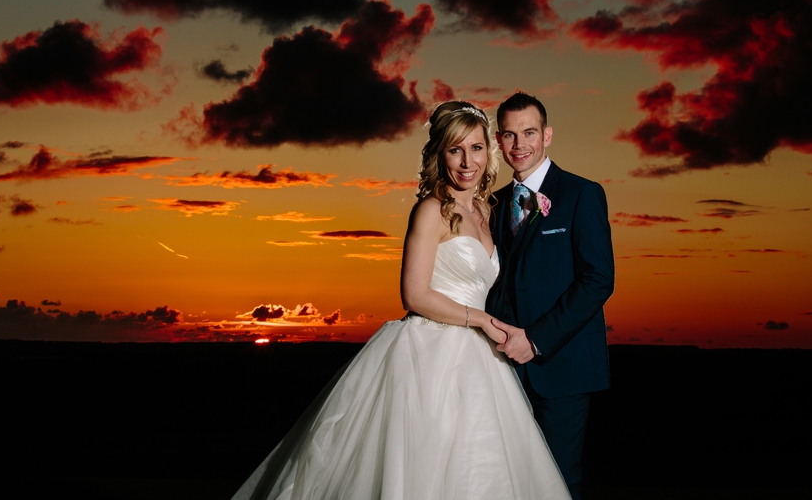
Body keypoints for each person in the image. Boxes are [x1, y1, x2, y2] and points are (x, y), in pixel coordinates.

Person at [232, 101, 571, 500]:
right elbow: (414, 294)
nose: (467, 162)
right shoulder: (430, 210)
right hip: (431, 353)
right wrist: (479, 320)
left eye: (476, 148)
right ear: (439, 154)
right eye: (455, 149)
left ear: (489, 151)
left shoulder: (485, 209)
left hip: (483, 360)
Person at [486, 92, 614, 500]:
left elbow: (598, 279)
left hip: (564, 364)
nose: (519, 144)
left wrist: (536, 339)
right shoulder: (493, 204)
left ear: (547, 135)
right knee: (508, 480)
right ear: (499, 141)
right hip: (502, 366)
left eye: (529, 133)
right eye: (509, 135)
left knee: (557, 482)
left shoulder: (582, 194)